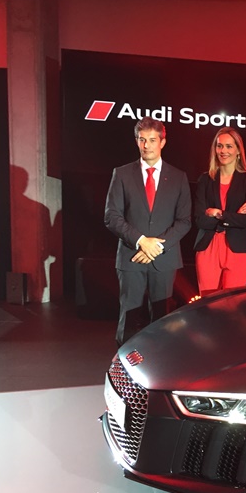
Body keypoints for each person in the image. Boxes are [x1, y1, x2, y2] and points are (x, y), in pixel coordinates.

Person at [104, 116, 192, 346]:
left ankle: (160, 364)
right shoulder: (122, 174)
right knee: (128, 317)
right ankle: (124, 364)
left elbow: (184, 221)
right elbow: (111, 216)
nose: (146, 145)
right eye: (142, 140)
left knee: (163, 321)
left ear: (162, 142)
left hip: (164, 258)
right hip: (131, 256)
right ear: (136, 141)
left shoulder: (178, 177)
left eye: (152, 140)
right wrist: (142, 241)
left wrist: (156, 247)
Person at [193, 127, 246, 295]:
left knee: (233, 304)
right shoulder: (205, 179)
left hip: (237, 248)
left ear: (238, 150)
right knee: (207, 303)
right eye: (219, 146)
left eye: (229, 146)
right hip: (208, 247)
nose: (223, 151)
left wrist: (218, 213)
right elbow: (200, 219)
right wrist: (234, 215)